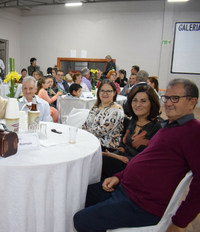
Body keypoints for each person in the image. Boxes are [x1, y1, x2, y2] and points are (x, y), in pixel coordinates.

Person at [74, 78, 200, 232]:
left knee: (81, 220)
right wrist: (118, 177)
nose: (168, 103)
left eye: (175, 98)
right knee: (77, 195)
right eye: (166, 98)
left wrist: (180, 223)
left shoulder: (193, 132)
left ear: (192, 102)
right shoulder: (168, 127)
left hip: (141, 205)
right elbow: (143, 159)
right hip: (124, 188)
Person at [102, 86, 161, 179]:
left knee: (101, 162)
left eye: (143, 101)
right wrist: (114, 155)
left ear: (152, 103)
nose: (137, 105)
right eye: (135, 100)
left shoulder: (158, 128)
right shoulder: (134, 120)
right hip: (123, 160)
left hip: (137, 169)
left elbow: (148, 161)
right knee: (97, 155)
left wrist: (117, 157)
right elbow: (123, 144)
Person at [82, 79, 124, 151]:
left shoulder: (117, 110)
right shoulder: (96, 106)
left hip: (106, 147)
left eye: (109, 91)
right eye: (102, 91)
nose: (105, 94)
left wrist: (84, 134)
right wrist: (82, 132)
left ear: (114, 93)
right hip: (91, 141)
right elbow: (86, 124)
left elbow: (102, 131)